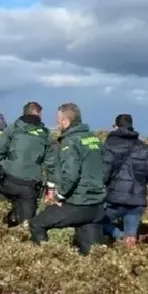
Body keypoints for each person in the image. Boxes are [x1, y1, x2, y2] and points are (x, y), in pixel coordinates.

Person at [29, 103, 106, 255]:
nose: (57, 124)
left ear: (65, 122)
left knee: (37, 224)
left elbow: (71, 175)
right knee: (92, 254)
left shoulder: (70, 142)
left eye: (58, 121)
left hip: (78, 202)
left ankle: (46, 263)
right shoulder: (94, 139)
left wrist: (59, 195)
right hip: (96, 205)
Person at [0, 101, 55, 226]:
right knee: (27, 223)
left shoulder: (13, 128)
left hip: (8, 180)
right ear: (39, 114)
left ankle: (3, 224)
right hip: (30, 185)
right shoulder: (46, 135)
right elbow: (52, 164)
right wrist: (51, 188)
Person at [100, 114, 148, 248]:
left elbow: (104, 174)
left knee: (97, 222)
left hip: (114, 199)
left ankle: (119, 236)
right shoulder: (144, 148)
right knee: (131, 237)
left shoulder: (109, 145)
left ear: (115, 126)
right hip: (137, 200)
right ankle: (129, 258)